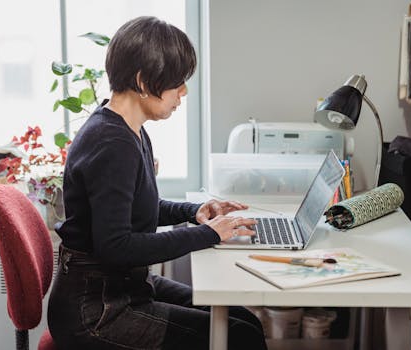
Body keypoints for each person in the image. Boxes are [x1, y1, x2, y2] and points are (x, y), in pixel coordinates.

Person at [48, 16, 267, 350]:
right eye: (176, 82)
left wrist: (196, 213)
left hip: (122, 288)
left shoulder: (128, 129)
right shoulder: (112, 144)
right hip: (96, 311)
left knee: (245, 321)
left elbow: (137, 208)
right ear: (143, 81)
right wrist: (208, 234)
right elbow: (116, 246)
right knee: (240, 336)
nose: (184, 91)